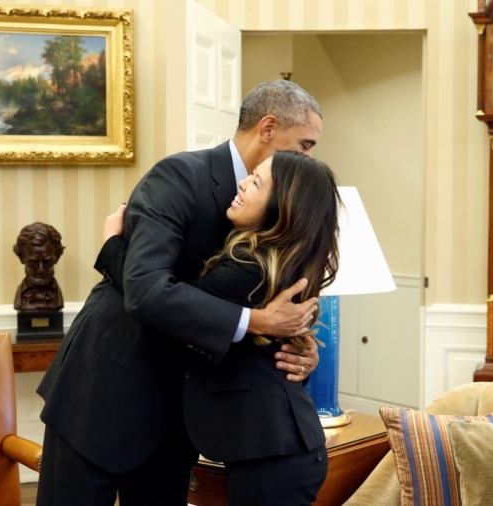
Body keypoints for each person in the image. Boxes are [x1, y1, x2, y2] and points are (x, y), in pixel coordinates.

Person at [36, 80, 325, 506]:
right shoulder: (179, 176)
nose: (308, 157)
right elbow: (147, 289)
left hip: (182, 411)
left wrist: (298, 346)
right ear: (268, 128)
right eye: (304, 143)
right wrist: (256, 322)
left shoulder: (283, 208)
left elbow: (252, 295)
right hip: (104, 390)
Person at [101, 151, 340, 505]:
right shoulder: (274, 262)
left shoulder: (250, 268)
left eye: (256, 182)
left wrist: (111, 247)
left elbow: (165, 306)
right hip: (274, 451)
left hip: (273, 454)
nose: (242, 183)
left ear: (281, 207)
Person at [13, 222, 65, 311]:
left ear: (57, 257)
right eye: (33, 263)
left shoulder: (57, 296)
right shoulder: (20, 298)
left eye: (47, 262)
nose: (41, 269)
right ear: (21, 258)